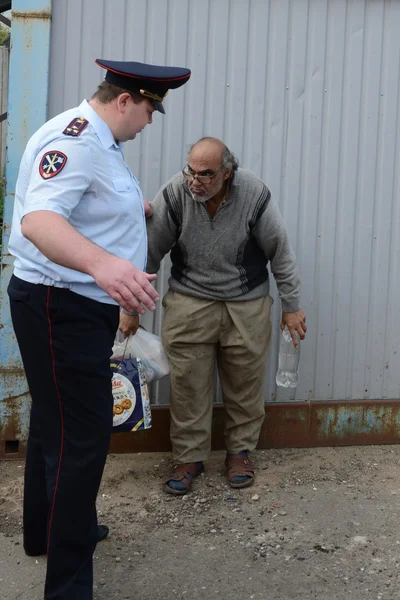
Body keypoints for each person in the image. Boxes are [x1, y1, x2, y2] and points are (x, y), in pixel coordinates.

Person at [7, 58, 191, 599]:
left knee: (52, 421)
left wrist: (132, 212)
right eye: (150, 109)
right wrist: (105, 265)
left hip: (65, 304)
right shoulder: (80, 140)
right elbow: (39, 220)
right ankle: (68, 586)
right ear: (126, 100)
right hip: (61, 305)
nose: (151, 121)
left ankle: (48, 531)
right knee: (80, 441)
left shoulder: (102, 143)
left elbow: (84, 205)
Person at [120, 137, 306, 496]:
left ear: (227, 173)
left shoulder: (254, 194)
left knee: (245, 384)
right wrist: (130, 308)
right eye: (190, 170)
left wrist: (292, 306)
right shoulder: (175, 193)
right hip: (190, 302)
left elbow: (280, 252)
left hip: (246, 303)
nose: (195, 180)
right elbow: (149, 250)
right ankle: (189, 458)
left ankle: (239, 453)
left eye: (205, 174)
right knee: (188, 385)